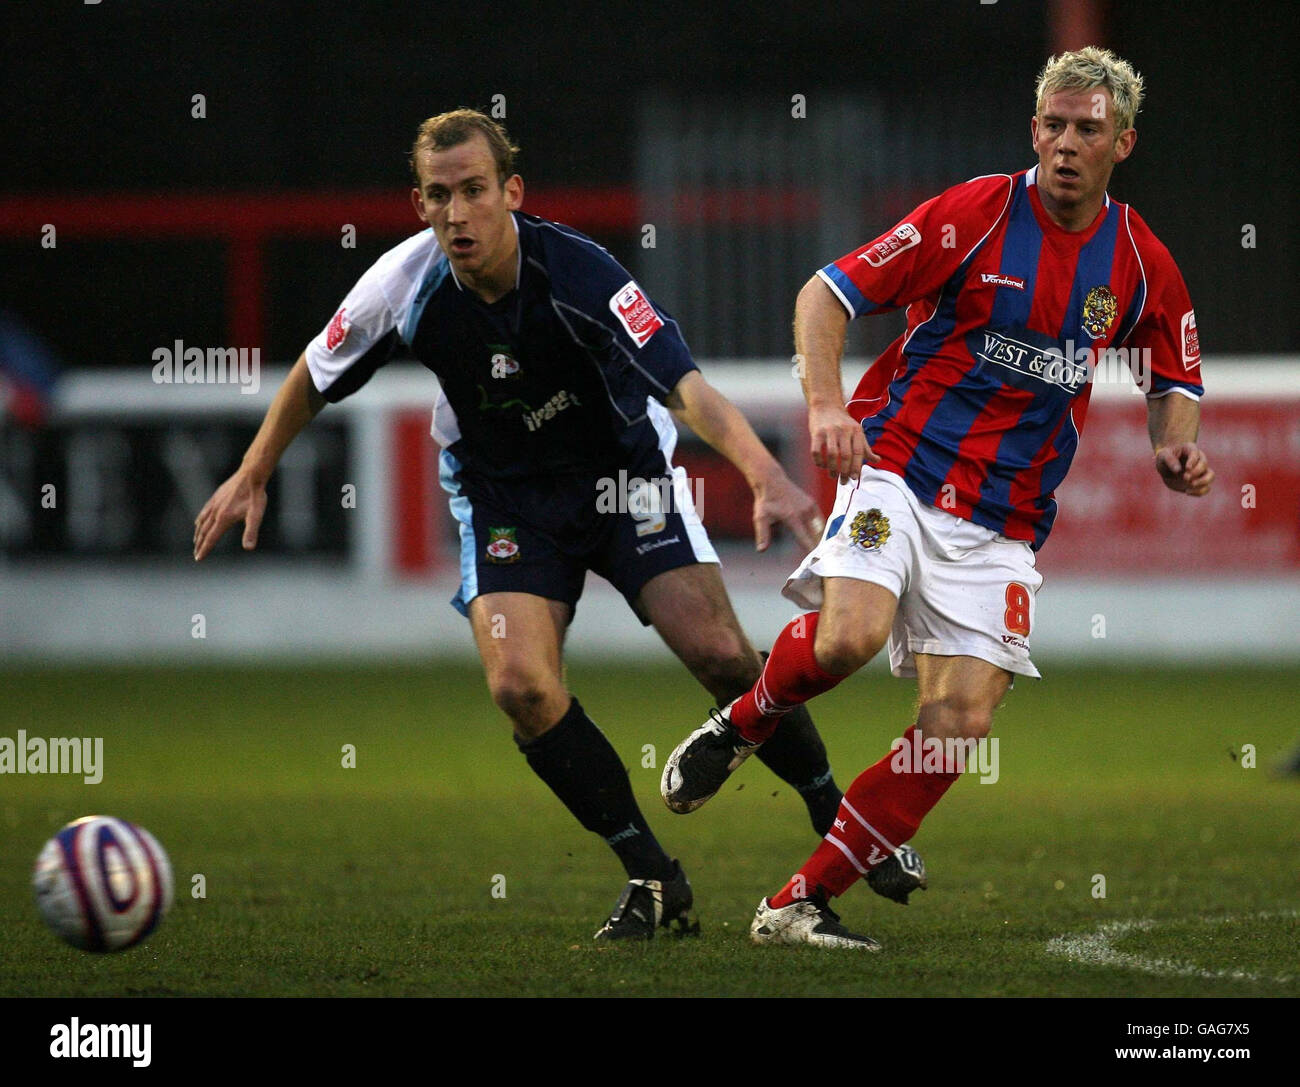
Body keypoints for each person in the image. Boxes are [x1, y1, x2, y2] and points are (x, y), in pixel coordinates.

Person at [192, 109, 924, 941]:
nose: (457, 213)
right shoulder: (402, 286)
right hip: (506, 500)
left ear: (511, 191)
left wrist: (763, 475)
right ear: (419, 203)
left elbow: (683, 386)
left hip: (626, 480)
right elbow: (313, 375)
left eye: (473, 191)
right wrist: (253, 472)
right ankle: (652, 876)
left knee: (723, 655)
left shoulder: (582, 274)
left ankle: (839, 820)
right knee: (521, 687)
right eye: (439, 196)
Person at [661, 47, 1214, 949]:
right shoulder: (977, 213)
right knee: (849, 637)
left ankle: (797, 904)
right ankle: (747, 718)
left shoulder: (1140, 261)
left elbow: (1175, 373)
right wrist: (828, 405)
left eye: (1089, 129)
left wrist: (1176, 447)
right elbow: (825, 293)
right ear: (1034, 129)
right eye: (1054, 126)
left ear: (1124, 141)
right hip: (901, 472)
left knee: (959, 723)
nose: (1067, 144)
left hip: (1004, 524)